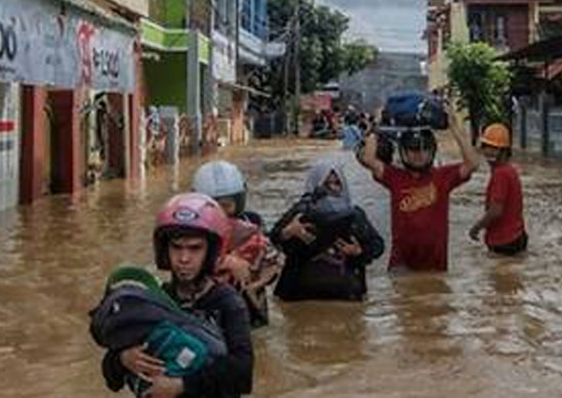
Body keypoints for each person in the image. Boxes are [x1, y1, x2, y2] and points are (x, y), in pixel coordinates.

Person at [103, 193, 253, 398]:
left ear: (211, 252)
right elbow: (111, 377)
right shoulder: (153, 300)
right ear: (165, 250)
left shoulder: (228, 303)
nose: (184, 258)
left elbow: (243, 374)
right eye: (176, 247)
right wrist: (123, 359)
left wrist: (182, 385)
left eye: (195, 249)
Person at [357, 113, 479, 272]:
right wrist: (375, 129)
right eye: (413, 150)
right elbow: (368, 159)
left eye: (424, 149)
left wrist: (454, 128)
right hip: (401, 264)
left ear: (432, 151)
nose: (419, 155)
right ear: (403, 152)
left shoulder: (443, 177)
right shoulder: (394, 177)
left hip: (435, 264)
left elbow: (473, 163)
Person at [270, 158, 384, 302]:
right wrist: (287, 232)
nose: (332, 188)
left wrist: (358, 251)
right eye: (326, 184)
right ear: (316, 185)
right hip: (300, 297)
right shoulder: (301, 211)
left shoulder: (355, 215)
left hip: (346, 296)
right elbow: (272, 239)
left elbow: (378, 246)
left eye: (337, 183)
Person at [192, 160, 283, 327]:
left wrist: (256, 284)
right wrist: (226, 262)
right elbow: (180, 266)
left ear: (238, 202)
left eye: (226, 205)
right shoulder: (191, 231)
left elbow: (273, 264)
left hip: (249, 311)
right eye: (213, 206)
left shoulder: (253, 225)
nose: (220, 212)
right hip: (209, 314)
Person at [466, 123, 528, 256]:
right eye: (486, 147)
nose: (488, 152)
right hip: (518, 236)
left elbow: (495, 211)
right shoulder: (510, 170)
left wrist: (476, 228)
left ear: (504, 151)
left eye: (494, 148)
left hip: (503, 242)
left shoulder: (500, 174)